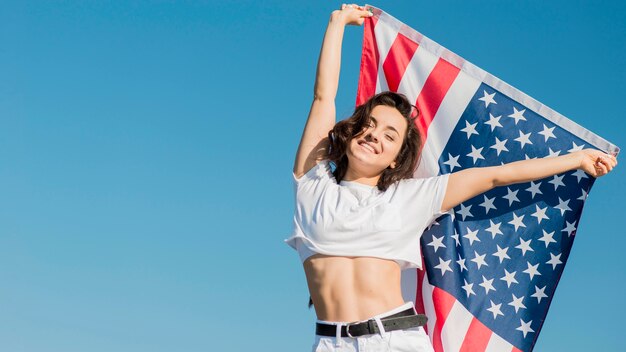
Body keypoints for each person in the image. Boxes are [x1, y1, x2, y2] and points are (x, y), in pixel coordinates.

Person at [285, 4, 617, 352]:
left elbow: (496, 177)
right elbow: (323, 97)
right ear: (352, 131)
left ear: (397, 157)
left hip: (396, 341)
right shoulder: (312, 183)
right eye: (369, 125)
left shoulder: (410, 196)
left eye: (390, 135)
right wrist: (337, 24)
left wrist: (576, 159)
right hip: (330, 343)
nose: (374, 136)